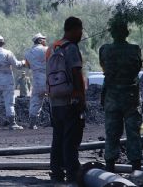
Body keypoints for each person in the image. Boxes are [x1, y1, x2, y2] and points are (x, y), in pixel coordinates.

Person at [99, 21, 143, 173]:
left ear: (112, 33)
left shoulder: (104, 50)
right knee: (133, 133)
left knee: (111, 133)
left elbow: (104, 68)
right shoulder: (135, 50)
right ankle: (136, 168)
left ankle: (110, 168)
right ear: (127, 33)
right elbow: (137, 69)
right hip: (131, 97)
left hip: (112, 97)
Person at [48, 17, 85, 183]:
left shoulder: (53, 47)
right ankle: (72, 173)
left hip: (55, 101)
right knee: (71, 139)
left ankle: (56, 172)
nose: (81, 34)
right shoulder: (71, 48)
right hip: (70, 100)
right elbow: (77, 74)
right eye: (80, 30)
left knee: (58, 138)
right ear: (73, 29)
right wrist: (81, 97)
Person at [0, 35, 25, 130]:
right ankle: (12, 123)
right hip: (7, 81)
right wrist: (24, 62)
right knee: (9, 103)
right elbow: (17, 65)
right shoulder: (8, 53)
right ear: (3, 43)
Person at [25, 33, 47, 129]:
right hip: (48, 77)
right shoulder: (46, 49)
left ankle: (32, 123)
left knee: (35, 100)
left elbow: (28, 66)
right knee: (55, 99)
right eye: (43, 39)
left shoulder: (28, 53)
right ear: (39, 40)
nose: (45, 41)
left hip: (36, 78)